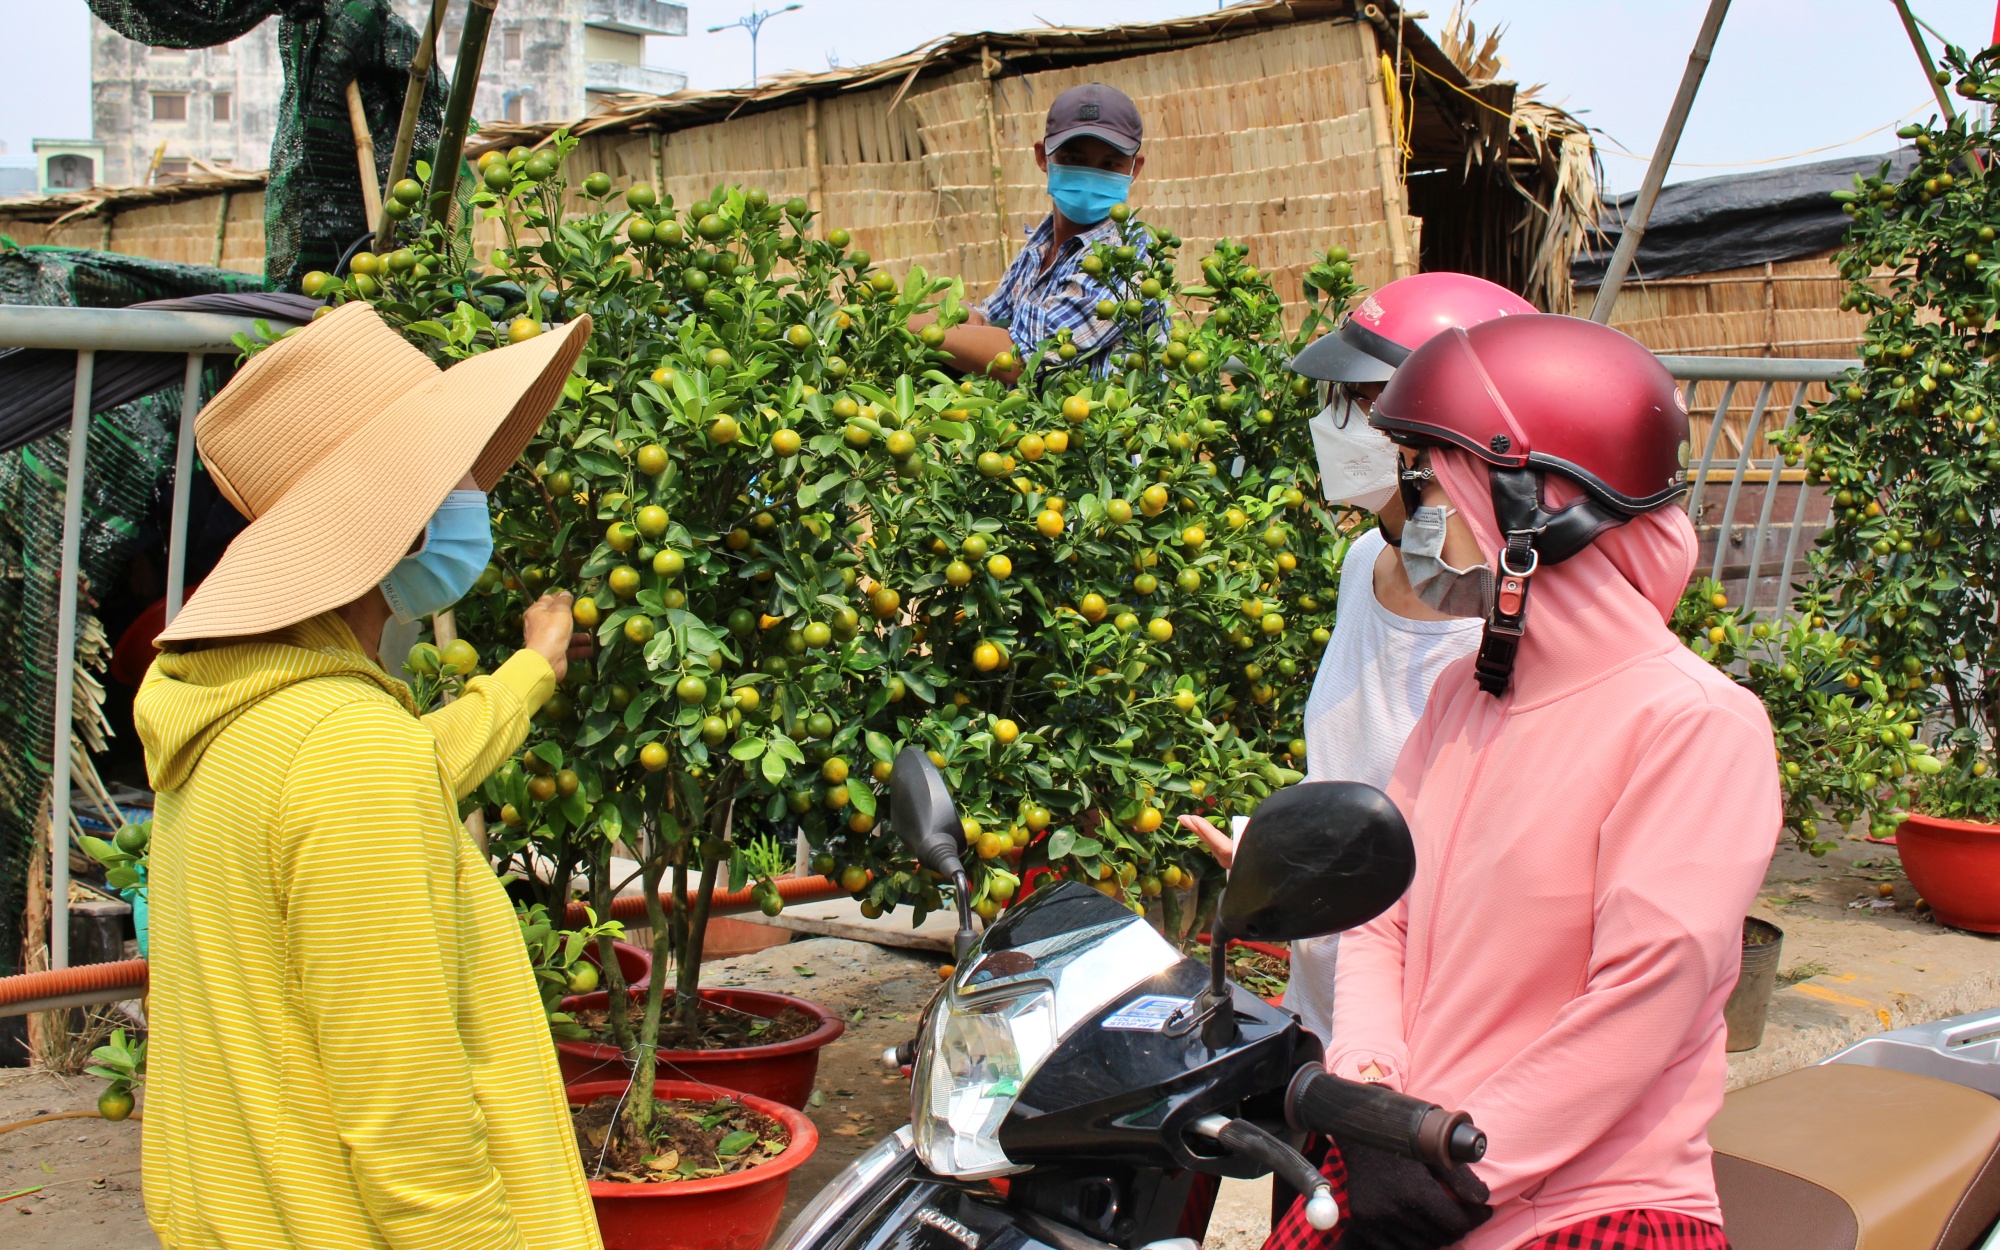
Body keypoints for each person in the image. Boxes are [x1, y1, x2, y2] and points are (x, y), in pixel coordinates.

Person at [1269, 314, 1780, 1250]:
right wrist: (1372, 1081)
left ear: (1535, 510)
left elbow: (1645, 995)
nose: (1417, 521)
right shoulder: (1470, 693)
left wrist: (1462, 1159)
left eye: (1431, 486)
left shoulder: (1692, 723)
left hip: (1587, 1193)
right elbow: (1385, 911)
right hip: (1413, 1153)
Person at [133, 302, 605, 1250]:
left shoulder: (249, 716)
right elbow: (412, 1134)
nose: (477, 493)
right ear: (403, 519)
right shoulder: (346, 752)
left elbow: (418, 767)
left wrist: (529, 672)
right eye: (456, 479)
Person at [1180, 273, 1534, 1045]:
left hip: (1430, 1040)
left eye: (1364, 402)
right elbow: (1356, 774)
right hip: (1329, 998)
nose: (1335, 423)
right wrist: (1286, 850)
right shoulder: (1363, 563)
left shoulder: (1517, 626)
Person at [922, 83, 1153, 381]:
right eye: (1074, 159)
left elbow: (1025, 358)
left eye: (1109, 164)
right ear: (1043, 157)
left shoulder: (1129, 256)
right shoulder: (1040, 246)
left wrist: (911, 324)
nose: (1090, 174)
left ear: (1134, 169)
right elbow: (989, 321)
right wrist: (965, 314)